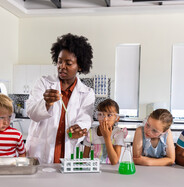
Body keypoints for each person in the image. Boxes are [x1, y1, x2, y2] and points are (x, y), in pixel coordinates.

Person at [26, 33, 95, 164]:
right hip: (41, 150)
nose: (62, 66)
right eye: (59, 61)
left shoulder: (87, 93)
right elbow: (31, 113)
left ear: (79, 66)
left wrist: (78, 129)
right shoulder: (43, 83)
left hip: (67, 151)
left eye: (68, 63)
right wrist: (46, 103)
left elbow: (86, 119)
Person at [83, 99, 126, 165]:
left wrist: (107, 137)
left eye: (109, 115)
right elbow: (84, 158)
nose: (105, 119)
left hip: (110, 171)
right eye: (101, 114)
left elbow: (114, 161)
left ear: (117, 118)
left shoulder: (118, 133)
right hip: (94, 170)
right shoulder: (91, 133)